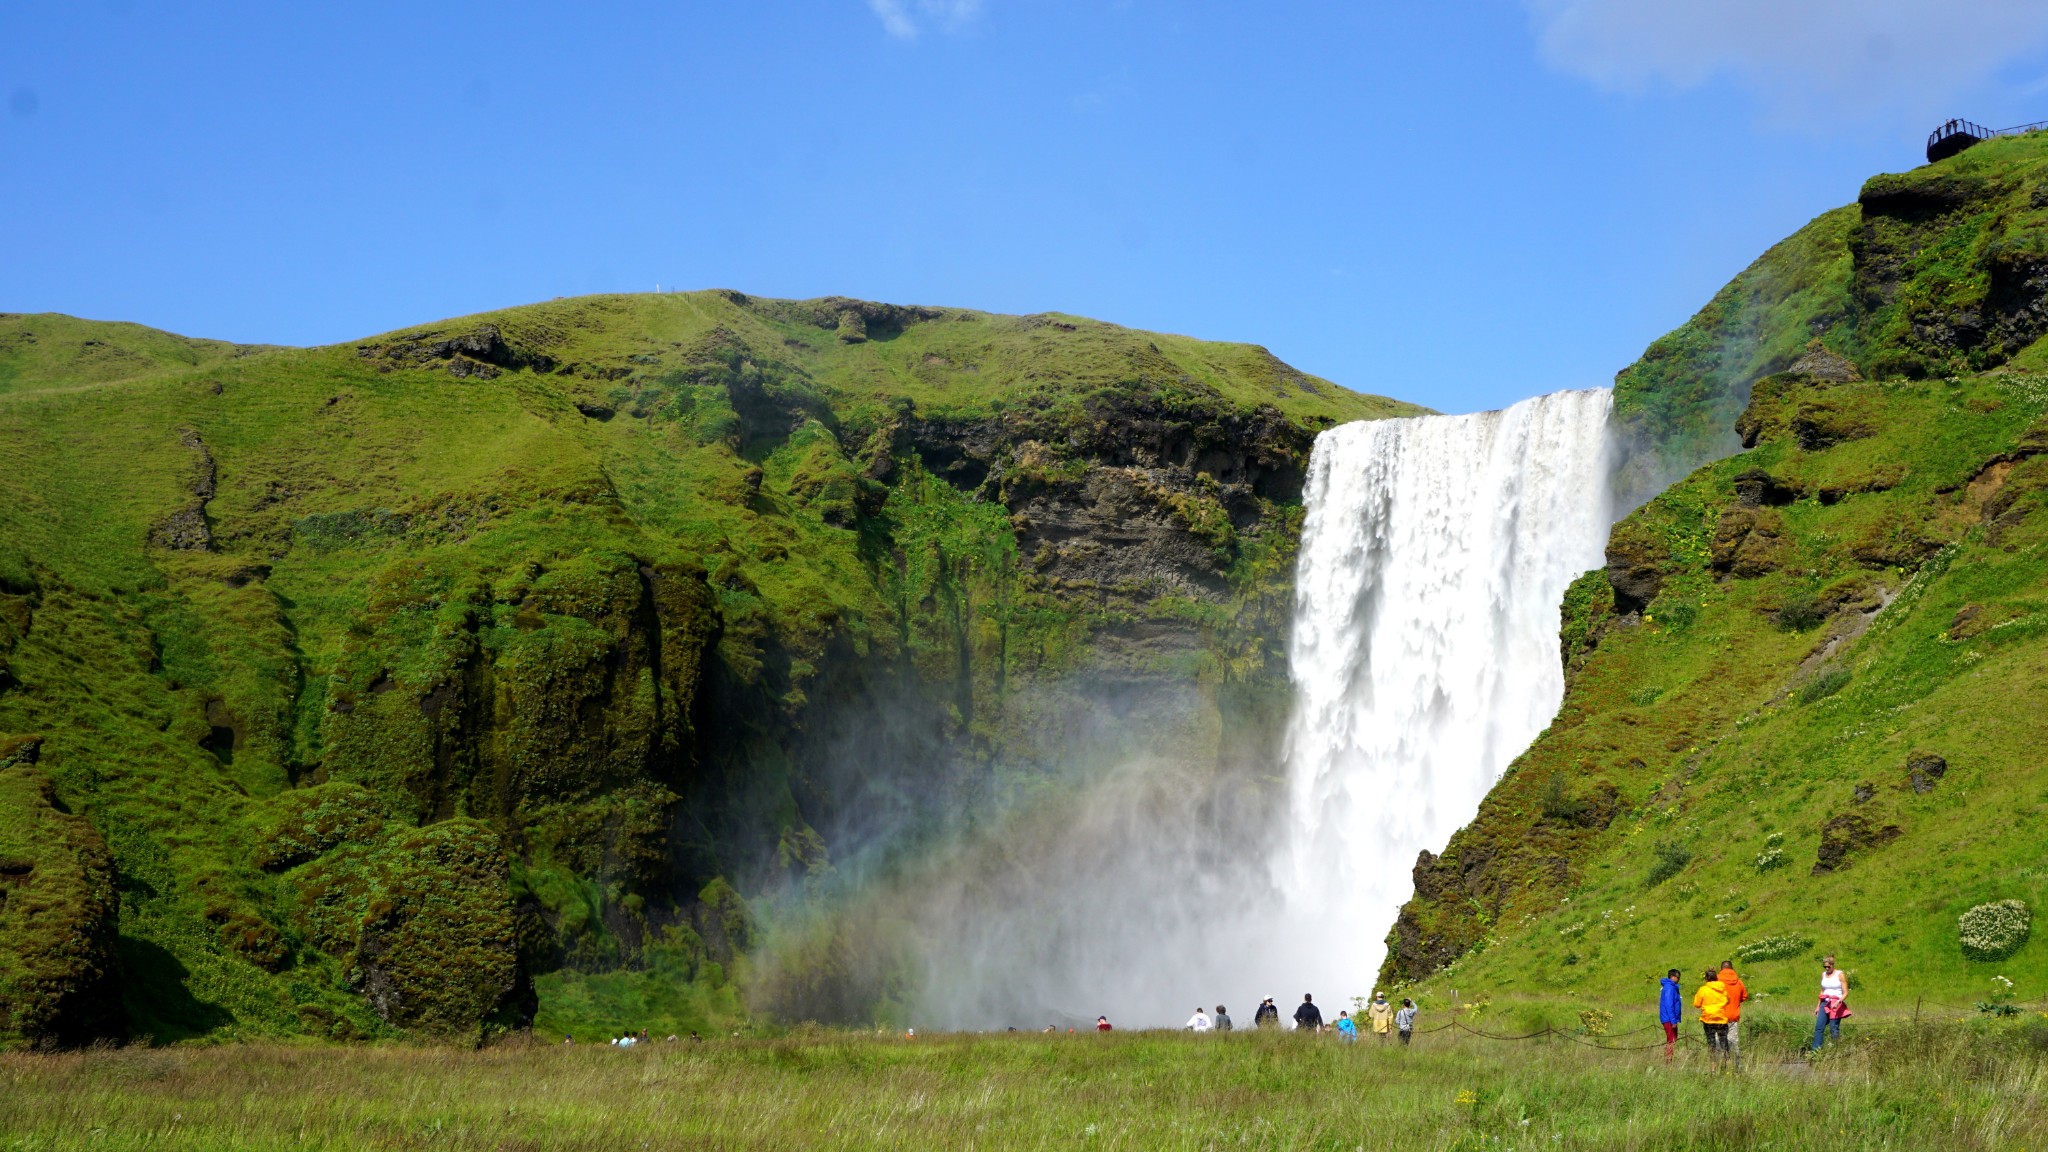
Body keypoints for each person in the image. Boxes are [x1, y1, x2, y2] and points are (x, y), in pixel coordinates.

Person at [1812, 955, 1851, 1050]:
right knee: (1819, 1026)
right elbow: (1822, 991)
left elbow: (1845, 992)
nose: (1827, 968)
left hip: (1835, 1003)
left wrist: (1839, 1001)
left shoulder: (1840, 974)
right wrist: (1818, 1006)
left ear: (1833, 965)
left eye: (1828, 966)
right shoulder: (1823, 975)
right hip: (1824, 1002)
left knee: (1833, 1028)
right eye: (1825, 966)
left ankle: (1836, 1049)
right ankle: (1816, 1050)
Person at [1693, 967, 1730, 1065]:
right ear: (1716, 977)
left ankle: (1713, 1067)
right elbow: (1728, 1000)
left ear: (1706, 978)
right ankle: (1728, 1063)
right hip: (1721, 1018)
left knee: (1711, 1043)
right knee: (1724, 1042)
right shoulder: (1722, 988)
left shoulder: (1703, 989)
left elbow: (1696, 1004)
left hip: (1708, 1019)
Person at [1719, 961, 1748, 1069]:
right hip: (1733, 1016)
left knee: (1719, 1042)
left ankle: (1721, 1066)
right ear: (1732, 968)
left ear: (1721, 969)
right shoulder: (1739, 982)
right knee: (1733, 1042)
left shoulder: (1716, 980)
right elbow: (1744, 997)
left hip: (1719, 1017)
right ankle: (1736, 1066)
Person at [1658, 969, 1683, 1063]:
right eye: (1678, 977)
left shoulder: (1672, 987)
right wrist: (1673, 1021)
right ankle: (1668, 1060)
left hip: (1669, 1018)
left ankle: (1669, 1059)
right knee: (1671, 1039)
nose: (1679, 979)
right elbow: (1669, 1005)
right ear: (1672, 976)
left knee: (1672, 1039)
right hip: (1669, 1018)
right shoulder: (1669, 987)